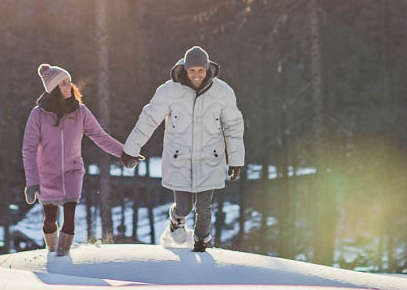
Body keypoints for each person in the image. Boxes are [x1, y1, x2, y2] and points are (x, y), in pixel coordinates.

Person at [120, 46, 245, 253]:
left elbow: (233, 126)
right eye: (192, 70)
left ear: (208, 69)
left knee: (204, 208)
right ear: (185, 69)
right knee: (185, 207)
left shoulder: (223, 92)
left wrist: (236, 159)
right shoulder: (169, 91)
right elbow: (149, 119)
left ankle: (201, 244)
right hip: (179, 158)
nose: (196, 75)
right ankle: (176, 219)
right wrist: (130, 150)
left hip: (210, 158)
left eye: (201, 70)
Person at [22, 63, 126, 257]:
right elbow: (28, 149)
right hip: (47, 173)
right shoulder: (38, 114)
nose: (68, 86)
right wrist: (32, 182)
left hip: (73, 171)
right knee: (50, 220)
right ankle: (52, 253)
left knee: (70, 218)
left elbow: (99, 136)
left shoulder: (81, 111)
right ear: (53, 88)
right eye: (63, 83)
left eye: (69, 81)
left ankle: (63, 257)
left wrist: (123, 153)